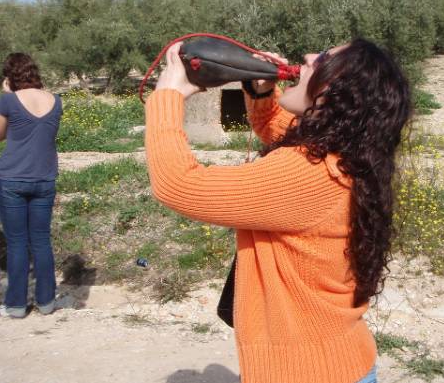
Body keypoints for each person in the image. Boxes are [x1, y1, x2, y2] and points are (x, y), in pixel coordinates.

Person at [145, 38, 411, 383]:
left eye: (324, 59)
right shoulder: (347, 154)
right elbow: (277, 127)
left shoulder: (308, 172)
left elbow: (178, 184)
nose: (309, 56)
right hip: (336, 363)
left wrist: (167, 96)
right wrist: (262, 93)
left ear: (337, 94)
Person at [0, 53, 62, 318]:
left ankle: (15, 306)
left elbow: (0, 135)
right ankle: (46, 303)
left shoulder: (8, 100)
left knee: (16, 243)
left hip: (12, 179)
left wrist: (7, 95)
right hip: (44, 178)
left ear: (9, 76)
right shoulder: (56, 100)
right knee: (41, 240)